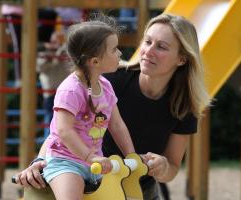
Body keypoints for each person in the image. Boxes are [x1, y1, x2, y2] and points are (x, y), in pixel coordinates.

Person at [14, 13, 211, 199]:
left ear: (182, 59)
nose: (148, 51)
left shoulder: (184, 105)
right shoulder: (107, 79)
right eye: (147, 41)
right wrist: (40, 162)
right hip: (93, 181)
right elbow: (63, 128)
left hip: (138, 188)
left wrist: (164, 167)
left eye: (161, 46)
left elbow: (173, 168)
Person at [26, 16, 136, 200]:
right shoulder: (71, 90)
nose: (120, 54)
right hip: (65, 162)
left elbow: (117, 125)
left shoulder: (106, 87)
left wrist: (132, 156)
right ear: (94, 61)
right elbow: (64, 130)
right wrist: (90, 157)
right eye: (114, 49)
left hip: (94, 163)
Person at [36, 31, 71, 138]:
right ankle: (48, 149)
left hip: (66, 95)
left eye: (58, 41)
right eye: (54, 41)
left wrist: (63, 48)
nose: (55, 43)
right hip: (51, 95)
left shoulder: (66, 52)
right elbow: (40, 68)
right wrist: (55, 56)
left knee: (67, 124)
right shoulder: (43, 55)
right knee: (51, 124)